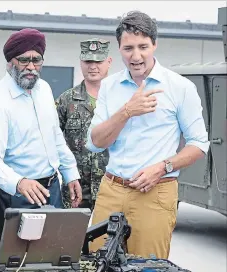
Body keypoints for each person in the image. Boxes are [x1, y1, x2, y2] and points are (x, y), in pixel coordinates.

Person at [86, 11, 209, 259]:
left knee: (147, 269)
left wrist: (163, 167)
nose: (136, 56)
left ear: (154, 44)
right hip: (112, 188)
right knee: (94, 266)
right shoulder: (109, 87)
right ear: (119, 50)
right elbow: (95, 143)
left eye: (143, 46)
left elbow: (199, 144)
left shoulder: (180, 87)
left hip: (155, 192)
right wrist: (127, 111)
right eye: (128, 48)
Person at [0, 28, 83, 241]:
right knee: (20, 264)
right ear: (10, 62)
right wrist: (19, 183)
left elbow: (55, 137)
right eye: (24, 60)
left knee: (53, 255)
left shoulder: (43, 89)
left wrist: (70, 172)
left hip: (52, 189)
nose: (30, 67)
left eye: (36, 60)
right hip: (19, 194)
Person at [56, 38, 112, 210]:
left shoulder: (119, 98)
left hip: (111, 186)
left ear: (109, 62)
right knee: (71, 235)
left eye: (98, 61)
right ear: (81, 62)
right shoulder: (67, 100)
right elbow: (51, 137)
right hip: (75, 187)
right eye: (88, 61)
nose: (93, 66)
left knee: (109, 236)